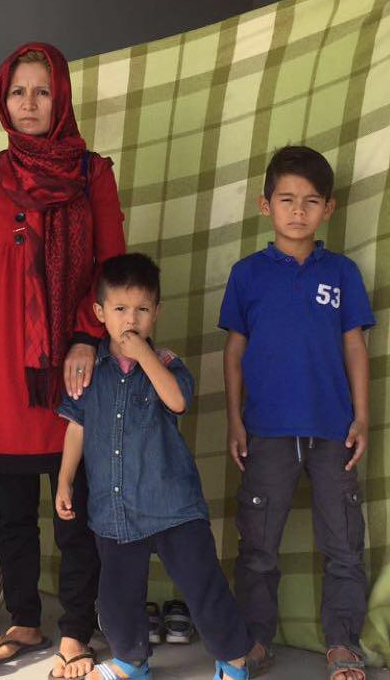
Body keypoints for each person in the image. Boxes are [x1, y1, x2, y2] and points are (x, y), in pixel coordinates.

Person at [0, 42, 126, 679]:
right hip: (2, 368)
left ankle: (77, 628)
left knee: (76, 505)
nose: (29, 104)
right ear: (4, 99)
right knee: (14, 507)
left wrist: (86, 335)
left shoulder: (93, 174)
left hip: (75, 369)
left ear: (63, 98)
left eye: (42, 91)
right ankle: (25, 619)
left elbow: (111, 270)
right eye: (18, 92)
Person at [55, 253, 252, 680]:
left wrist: (143, 353)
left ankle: (233, 660)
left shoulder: (165, 363)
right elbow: (76, 427)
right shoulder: (89, 371)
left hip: (172, 503)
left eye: (142, 310)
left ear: (156, 313)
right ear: (99, 313)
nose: (131, 319)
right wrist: (65, 480)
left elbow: (177, 401)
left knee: (203, 584)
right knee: (117, 594)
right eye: (121, 309)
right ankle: (131, 660)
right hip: (114, 507)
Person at [219, 146, 375, 680]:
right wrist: (235, 420)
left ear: (328, 209)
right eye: (287, 200)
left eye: (311, 202)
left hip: (334, 432)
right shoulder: (247, 276)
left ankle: (342, 643)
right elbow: (234, 352)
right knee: (258, 547)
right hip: (266, 432)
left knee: (344, 545)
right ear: (266, 205)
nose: (298, 211)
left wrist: (362, 417)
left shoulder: (343, 273)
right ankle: (256, 640)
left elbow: (354, 346)